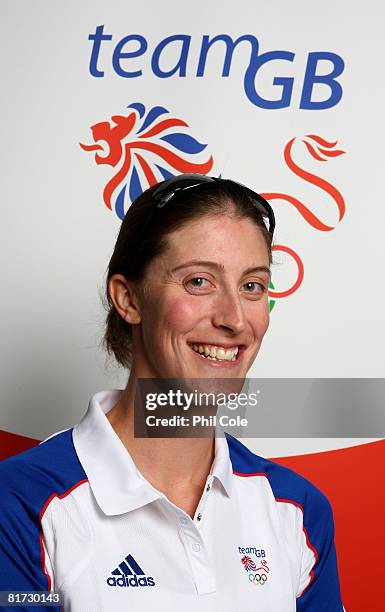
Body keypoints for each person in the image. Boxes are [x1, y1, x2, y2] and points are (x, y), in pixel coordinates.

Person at [0, 174, 344, 611]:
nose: (235, 320)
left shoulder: (296, 510)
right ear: (129, 299)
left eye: (252, 286)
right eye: (199, 282)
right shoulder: (18, 504)